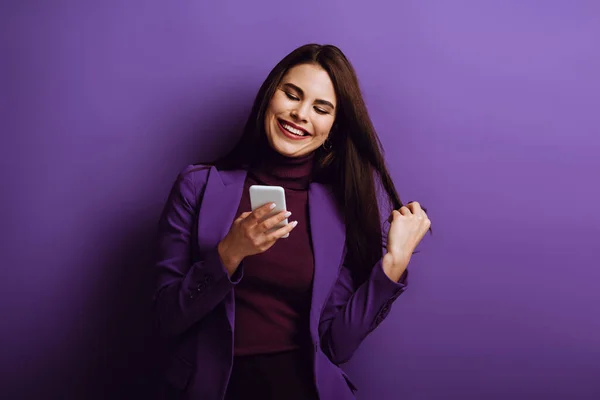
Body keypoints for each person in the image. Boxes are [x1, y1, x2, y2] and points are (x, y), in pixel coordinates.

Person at [153, 43, 431, 400]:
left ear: (333, 128)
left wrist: (393, 264)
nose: (301, 114)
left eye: (321, 108)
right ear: (270, 96)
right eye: (292, 94)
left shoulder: (338, 211)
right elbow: (168, 316)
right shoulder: (198, 186)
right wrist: (227, 255)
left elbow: (336, 345)